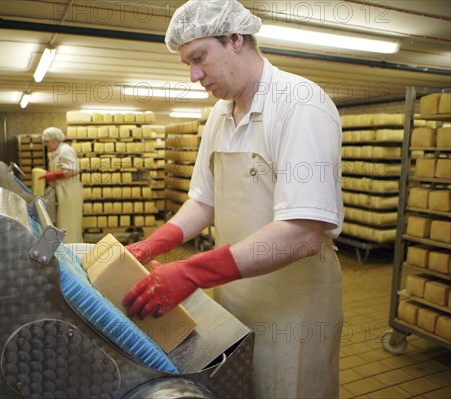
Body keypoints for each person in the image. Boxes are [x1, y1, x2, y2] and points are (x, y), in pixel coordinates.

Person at [122, 1, 344, 398]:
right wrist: (156, 242)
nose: (193, 76)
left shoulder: (299, 104)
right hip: (234, 295)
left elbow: (303, 233)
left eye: (199, 58)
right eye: (188, 63)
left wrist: (190, 272)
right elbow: (204, 202)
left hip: (294, 307)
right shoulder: (221, 116)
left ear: (236, 40)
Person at [40, 127, 83, 243]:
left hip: (70, 192)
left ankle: (71, 252)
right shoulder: (56, 152)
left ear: (54, 140)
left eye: (46, 141)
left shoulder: (65, 150)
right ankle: (66, 250)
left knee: (69, 224)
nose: (45, 144)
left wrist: (53, 176)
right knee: (64, 223)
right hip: (63, 191)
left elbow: (74, 170)